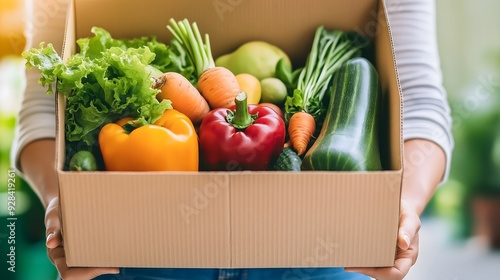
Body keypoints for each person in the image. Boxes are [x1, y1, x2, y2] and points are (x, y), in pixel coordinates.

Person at [11, 0, 453, 279]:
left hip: (324, 249)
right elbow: (41, 110)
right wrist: (59, 203)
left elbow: (420, 105)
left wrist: (405, 208)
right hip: (137, 250)